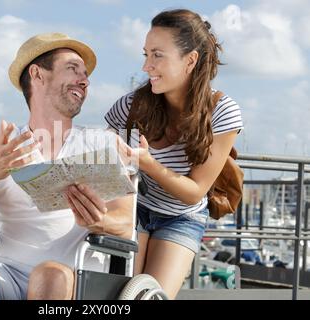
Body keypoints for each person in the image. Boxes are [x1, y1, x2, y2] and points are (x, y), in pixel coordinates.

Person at [0, 32, 134, 300]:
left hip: (75, 276)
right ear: (38, 75)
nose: (84, 80)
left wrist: (99, 221)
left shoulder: (101, 143)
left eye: (85, 74)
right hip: (6, 271)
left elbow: (125, 222)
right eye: (73, 69)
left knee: (47, 275)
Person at [105, 9, 243, 299]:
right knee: (120, 295)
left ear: (190, 60)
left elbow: (194, 192)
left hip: (182, 216)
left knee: (151, 296)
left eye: (157, 55)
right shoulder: (131, 105)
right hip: (136, 209)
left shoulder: (223, 112)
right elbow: (101, 148)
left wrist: (148, 164)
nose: (146, 66)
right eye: (145, 55)